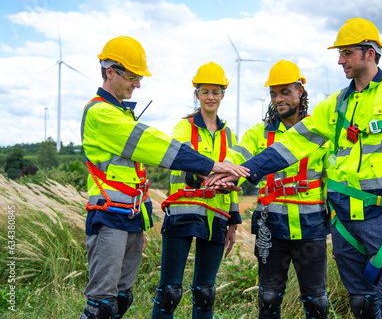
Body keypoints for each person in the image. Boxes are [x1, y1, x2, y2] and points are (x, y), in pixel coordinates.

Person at [207, 18, 382, 319]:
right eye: (340, 54)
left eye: (346, 53)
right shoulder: (335, 104)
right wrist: (241, 171)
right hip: (343, 221)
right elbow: (291, 145)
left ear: (369, 53)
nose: (340, 60)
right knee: (362, 304)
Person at [80, 37, 248, 319]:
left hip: (129, 217)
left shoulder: (122, 113)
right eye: (132, 76)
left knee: (120, 301)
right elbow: (156, 145)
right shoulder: (101, 113)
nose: (138, 84)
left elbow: (135, 175)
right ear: (110, 71)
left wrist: (141, 222)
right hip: (108, 216)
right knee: (102, 307)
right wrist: (211, 166)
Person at [226, 60, 330, 319]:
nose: (278, 99)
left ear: (300, 92)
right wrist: (221, 171)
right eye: (273, 94)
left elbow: (336, 178)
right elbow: (235, 158)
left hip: (312, 228)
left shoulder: (321, 133)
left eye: (285, 92)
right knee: (269, 299)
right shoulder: (257, 135)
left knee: (317, 303)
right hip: (270, 229)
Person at [151, 62, 241, 319]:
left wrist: (233, 221)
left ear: (223, 94)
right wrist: (211, 174)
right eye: (205, 91)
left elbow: (233, 178)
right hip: (183, 213)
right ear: (197, 94)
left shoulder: (230, 136)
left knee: (205, 293)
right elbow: (183, 159)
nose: (210, 97)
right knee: (169, 292)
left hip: (217, 216)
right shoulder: (184, 128)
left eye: (215, 92)